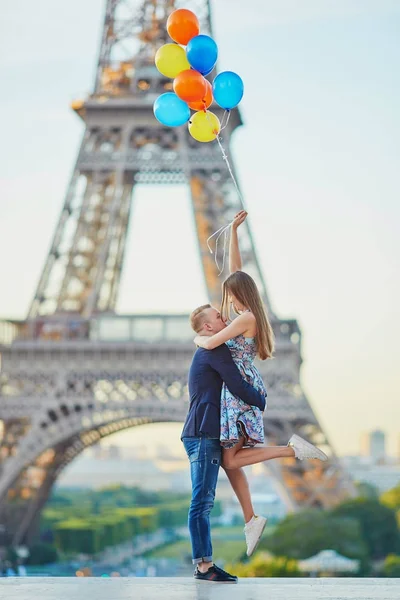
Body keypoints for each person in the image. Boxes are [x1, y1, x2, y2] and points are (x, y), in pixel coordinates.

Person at [194, 210, 328, 472]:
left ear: (239, 294)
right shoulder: (250, 314)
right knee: (231, 460)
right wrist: (233, 231)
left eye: (231, 296)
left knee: (231, 460)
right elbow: (236, 271)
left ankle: (290, 450)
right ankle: (290, 450)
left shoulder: (245, 319)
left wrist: (198, 337)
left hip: (239, 387)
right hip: (242, 381)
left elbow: (211, 344)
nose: (229, 301)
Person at [181, 305, 267, 583]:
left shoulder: (206, 347)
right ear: (207, 327)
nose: (224, 318)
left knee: (204, 499)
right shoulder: (213, 350)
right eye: (218, 316)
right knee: (202, 501)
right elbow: (237, 383)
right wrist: (261, 400)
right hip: (204, 433)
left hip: (203, 431)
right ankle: (204, 567)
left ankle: (207, 562)